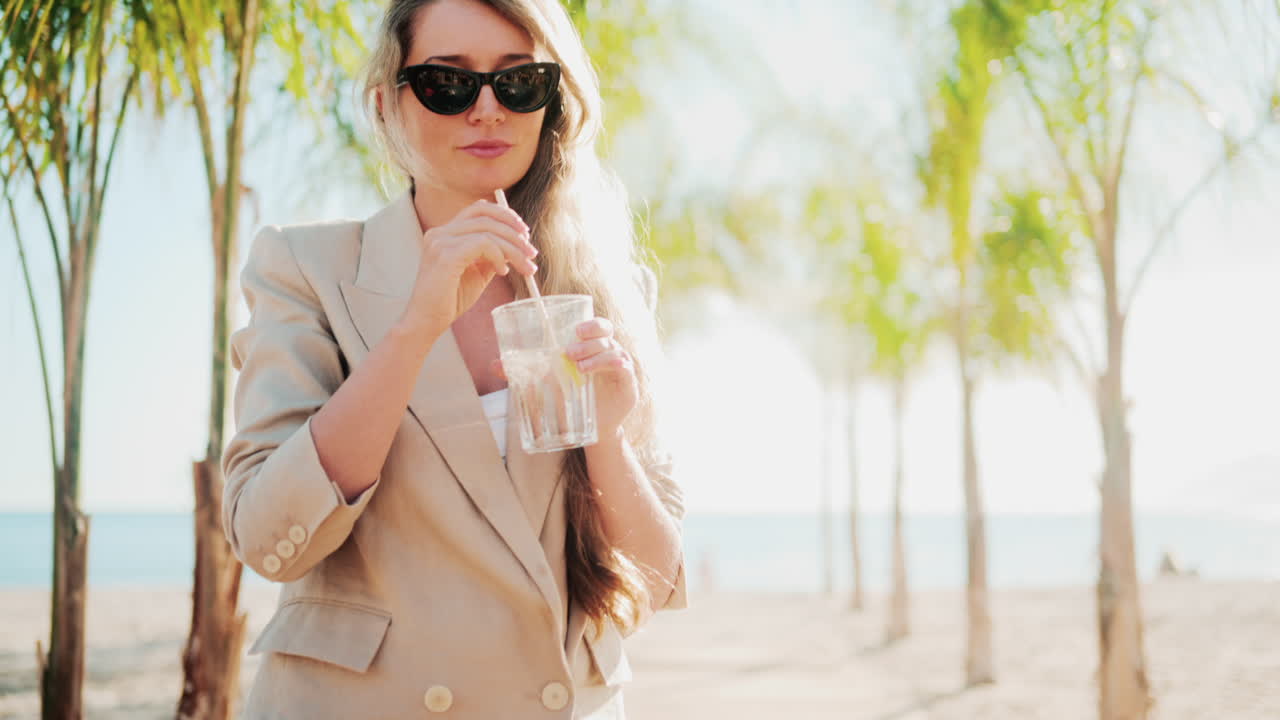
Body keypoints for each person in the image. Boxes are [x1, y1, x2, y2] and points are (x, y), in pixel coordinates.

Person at [220, 0, 688, 716]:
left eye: (517, 82)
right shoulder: (307, 267)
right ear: (387, 104)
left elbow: (650, 584)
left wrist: (608, 440)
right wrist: (414, 328)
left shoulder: (606, 294)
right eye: (448, 83)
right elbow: (266, 538)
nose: (487, 110)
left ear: (551, 101)